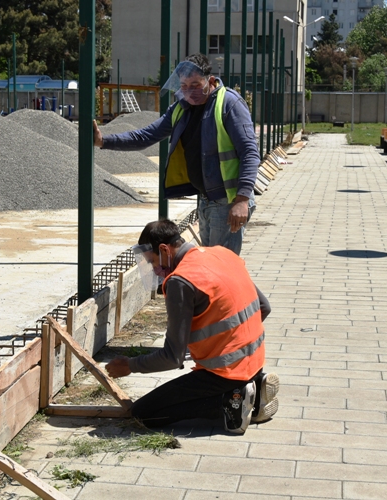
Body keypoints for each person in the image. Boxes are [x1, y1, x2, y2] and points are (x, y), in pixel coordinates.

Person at [105, 220, 279, 434]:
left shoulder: (181, 281)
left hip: (224, 373)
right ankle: (253, 387)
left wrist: (130, 365)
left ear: (164, 249)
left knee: (144, 413)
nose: (155, 270)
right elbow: (264, 307)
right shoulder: (221, 254)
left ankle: (231, 402)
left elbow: (172, 358)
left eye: (153, 261)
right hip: (255, 362)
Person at [93, 54, 260, 256]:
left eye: (195, 85)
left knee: (220, 265)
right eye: (184, 86)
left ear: (210, 81)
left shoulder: (229, 104)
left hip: (228, 200)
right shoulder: (182, 108)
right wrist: (104, 141)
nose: (189, 91)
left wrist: (242, 200)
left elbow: (250, 152)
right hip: (206, 199)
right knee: (212, 263)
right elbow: (146, 135)